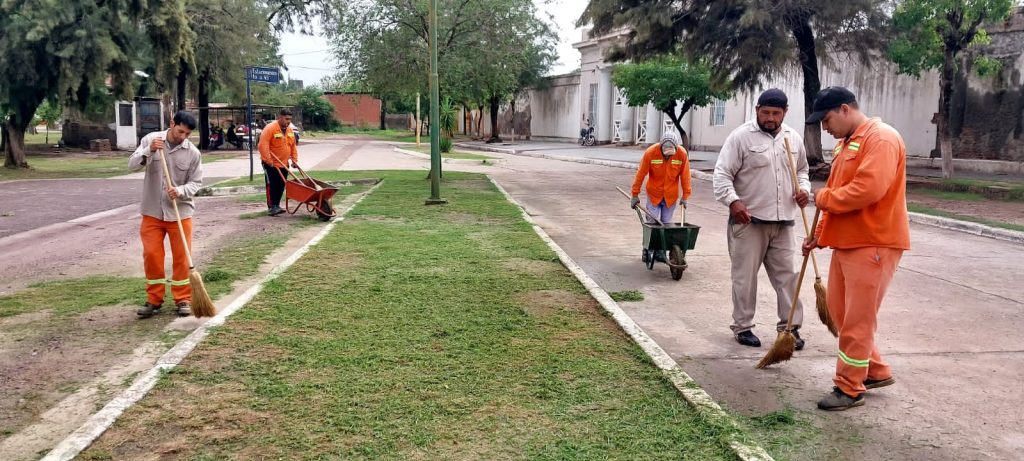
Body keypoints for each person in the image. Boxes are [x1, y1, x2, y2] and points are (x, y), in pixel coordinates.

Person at [802, 87, 910, 411]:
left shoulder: (882, 138)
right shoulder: (845, 144)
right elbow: (835, 193)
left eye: (826, 119)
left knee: (857, 320)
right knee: (838, 312)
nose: (824, 127)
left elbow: (868, 190)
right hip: (846, 242)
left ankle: (849, 387)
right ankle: (874, 370)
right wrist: (818, 234)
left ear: (845, 109)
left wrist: (822, 198)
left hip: (873, 242)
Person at [713, 89, 810, 349]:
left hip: (784, 223)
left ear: (784, 113)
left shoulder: (793, 138)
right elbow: (722, 174)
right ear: (757, 109)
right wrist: (734, 202)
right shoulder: (741, 137)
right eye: (765, 112)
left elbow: (802, 171)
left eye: (775, 113)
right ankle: (743, 327)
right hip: (749, 222)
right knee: (745, 278)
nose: (770, 118)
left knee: (789, 277)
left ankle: (790, 327)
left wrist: (804, 190)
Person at [127, 111, 203, 318]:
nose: (182, 137)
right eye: (180, 131)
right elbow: (131, 165)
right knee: (152, 255)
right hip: (152, 211)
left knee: (181, 258)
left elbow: (196, 183)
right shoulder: (152, 140)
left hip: (180, 212)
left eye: (187, 134)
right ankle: (154, 300)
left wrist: (179, 191)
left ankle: (183, 299)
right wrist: (148, 151)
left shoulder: (192, 153)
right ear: (172, 124)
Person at [630, 131, 693, 260]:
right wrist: (635, 194)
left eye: (671, 153)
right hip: (654, 194)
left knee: (666, 225)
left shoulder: (681, 154)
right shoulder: (651, 153)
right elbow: (640, 174)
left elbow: (685, 176)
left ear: (676, 147)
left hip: (670, 196)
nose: (668, 156)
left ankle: (661, 250)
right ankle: (647, 249)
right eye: (665, 152)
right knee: (652, 223)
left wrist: (685, 196)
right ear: (661, 146)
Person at [259, 109, 299, 216]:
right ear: (280, 117)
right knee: (271, 184)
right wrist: (268, 160)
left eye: (290, 119)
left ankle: (276, 205)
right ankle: (272, 207)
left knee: (281, 184)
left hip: (284, 163)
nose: (288, 121)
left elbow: (293, 146)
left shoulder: (290, 130)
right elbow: (263, 145)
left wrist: (294, 160)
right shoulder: (270, 128)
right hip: (271, 163)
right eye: (286, 119)